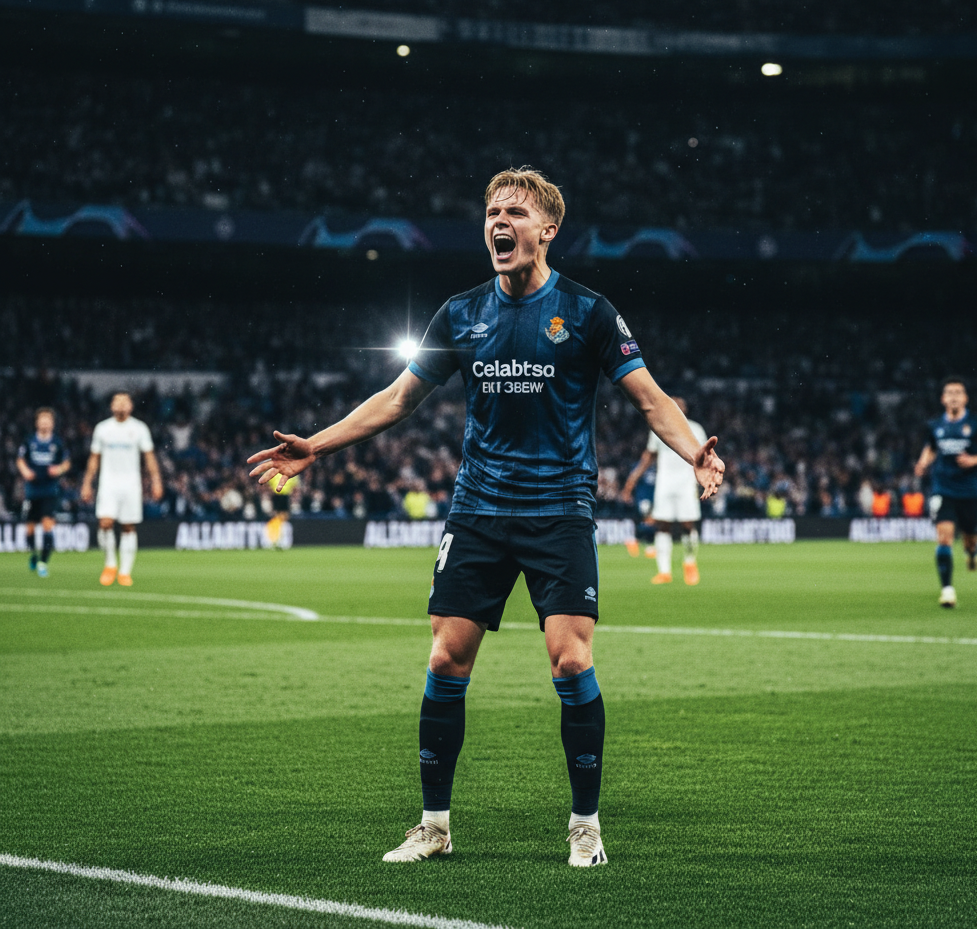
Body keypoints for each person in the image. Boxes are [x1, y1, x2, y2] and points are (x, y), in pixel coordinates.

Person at [248, 167, 724, 868]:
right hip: (477, 510)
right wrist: (314, 445)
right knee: (446, 658)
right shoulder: (461, 312)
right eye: (492, 212)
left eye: (515, 213)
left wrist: (694, 452)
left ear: (547, 230)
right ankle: (434, 825)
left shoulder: (589, 312)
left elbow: (650, 399)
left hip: (559, 509)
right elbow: (398, 397)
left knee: (570, 661)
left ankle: (585, 825)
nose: (499, 223)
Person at [913, 377, 977, 608]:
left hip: (970, 490)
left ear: (965, 398)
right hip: (943, 488)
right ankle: (947, 590)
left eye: (958, 392)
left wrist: (974, 459)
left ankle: (972, 551)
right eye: (949, 392)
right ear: (943, 399)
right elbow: (931, 448)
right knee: (944, 537)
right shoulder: (935, 426)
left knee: (970, 539)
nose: (953, 396)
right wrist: (923, 463)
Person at [620, 397, 707, 585]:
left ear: (685, 410)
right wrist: (632, 480)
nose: (678, 408)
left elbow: (705, 457)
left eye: (681, 406)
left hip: (686, 483)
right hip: (665, 483)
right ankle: (664, 571)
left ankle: (690, 563)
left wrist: (707, 479)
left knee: (687, 524)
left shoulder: (696, 429)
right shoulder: (659, 427)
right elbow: (648, 457)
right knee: (663, 525)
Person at [81, 392, 163, 587]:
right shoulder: (102, 429)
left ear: (131, 406)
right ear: (111, 406)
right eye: (117, 401)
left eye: (125, 401)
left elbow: (149, 457)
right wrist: (87, 483)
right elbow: (94, 458)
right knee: (105, 522)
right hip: (108, 483)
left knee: (128, 526)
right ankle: (110, 564)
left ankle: (125, 571)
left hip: (131, 484)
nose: (121, 404)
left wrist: (156, 480)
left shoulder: (139, 428)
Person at [16, 407, 71, 578]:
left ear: (52, 424)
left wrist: (59, 469)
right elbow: (20, 460)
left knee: (48, 524)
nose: (45, 423)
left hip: (50, 490)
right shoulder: (30, 441)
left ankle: (43, 563)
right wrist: (25, 471)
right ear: (37, 422)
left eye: (48, 420)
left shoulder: (57, 443)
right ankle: (33, 554)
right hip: (32, 490)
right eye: (42, 420)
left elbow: (66, 462)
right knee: (30, 529)